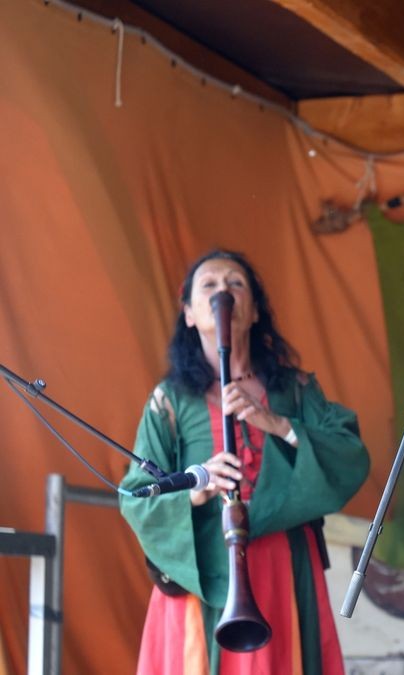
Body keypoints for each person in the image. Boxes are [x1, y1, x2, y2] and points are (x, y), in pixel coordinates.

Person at [119, 250, 370, 675]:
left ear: (254, 312)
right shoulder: (169, 402)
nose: (223, 293)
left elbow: (349, 455)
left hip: (283, 566)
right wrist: (195, 491)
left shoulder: (295, 388)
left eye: (236, 284)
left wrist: (276, 423)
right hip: (203, 571)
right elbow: (136, 496)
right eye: (209, 286)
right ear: (190, 315)